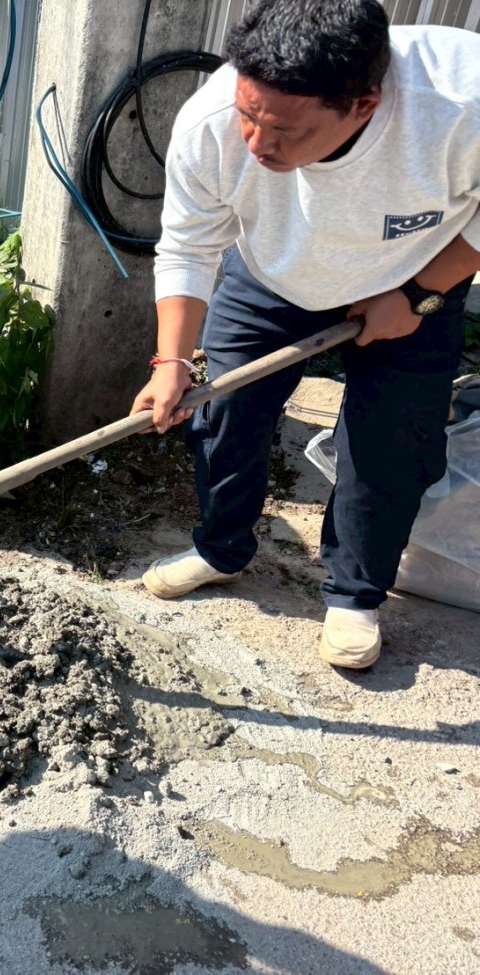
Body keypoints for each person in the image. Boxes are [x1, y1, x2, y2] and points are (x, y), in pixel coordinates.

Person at [132, 0, 480, 670]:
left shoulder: (460, 102)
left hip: (413, 278)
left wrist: (418, 294)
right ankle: (220, 549)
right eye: (248, 115)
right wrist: (171, 360)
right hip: (273, 273)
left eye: (283, 130)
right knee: (225, 414)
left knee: (390, 445)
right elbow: (187, 246)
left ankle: (355, 595)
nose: (256, 143)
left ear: (365, 105)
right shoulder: (210, 121)